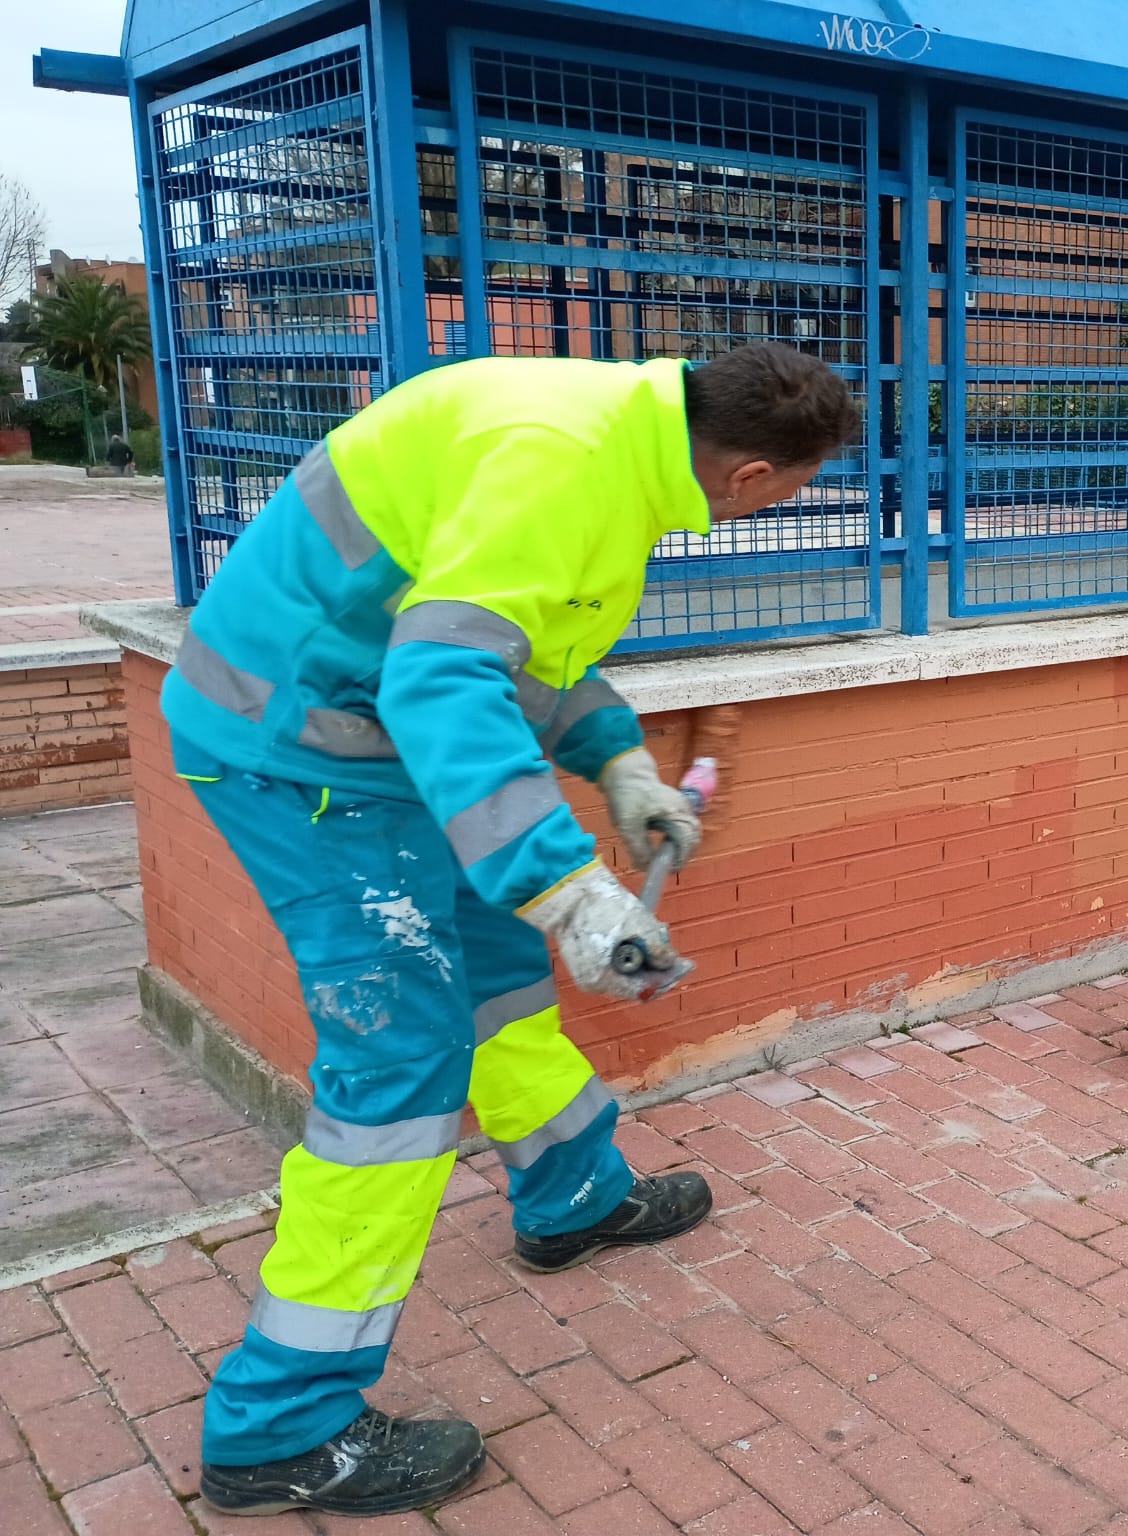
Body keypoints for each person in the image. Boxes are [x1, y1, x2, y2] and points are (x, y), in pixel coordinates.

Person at [167, 342, 859, 1518]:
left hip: (372, 747)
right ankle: (279, 1426)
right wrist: (570, 888)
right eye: (793, 491)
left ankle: (572, 1196)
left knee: (491, 977)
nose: (784, 506)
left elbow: (524, 651)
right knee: (400, 1062)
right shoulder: (562, 460)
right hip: (295, 755)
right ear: (748, 476)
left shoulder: (623, 443)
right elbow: (442, 679)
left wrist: (620, 761)